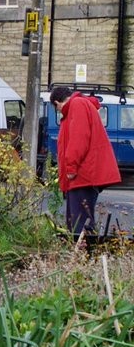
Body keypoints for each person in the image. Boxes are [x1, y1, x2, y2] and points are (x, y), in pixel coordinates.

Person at [49, 85, 121, 236]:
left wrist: (70, 168)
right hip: (85, 175)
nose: (60, 112)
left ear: (57, 102)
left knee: (78, 224)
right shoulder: (82, 105)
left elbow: (78, 139)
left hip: (82, 175)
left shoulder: (77, 105)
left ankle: (81, 255)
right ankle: (85, 255)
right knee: (82, 221)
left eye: (57, 109)